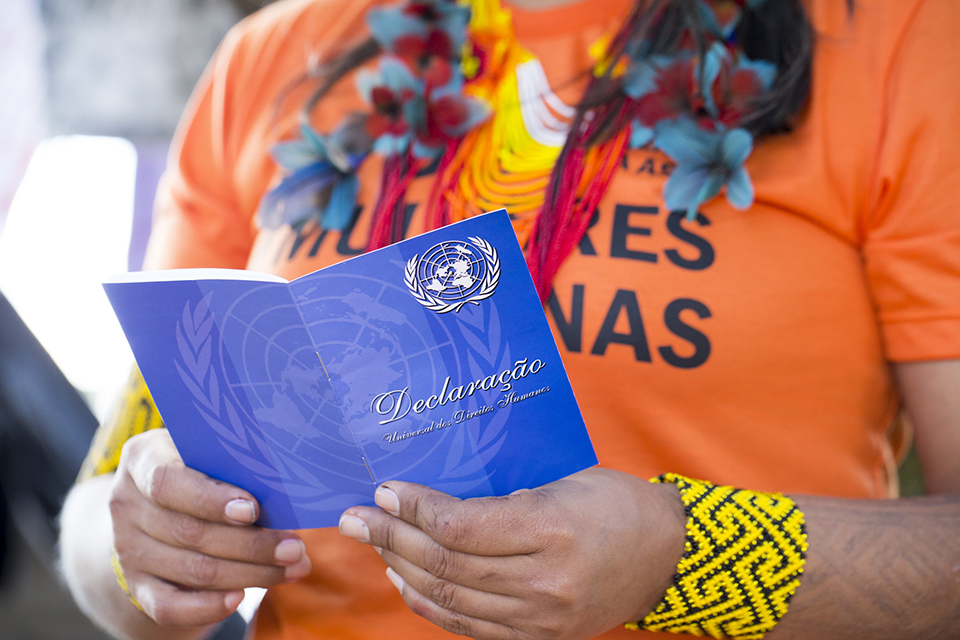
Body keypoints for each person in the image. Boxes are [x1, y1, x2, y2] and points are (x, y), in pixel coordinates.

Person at [59, 0, 960, 639]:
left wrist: (684, 561)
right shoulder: (274, 57)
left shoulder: (900, 43)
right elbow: (106, 500)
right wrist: (147, 545)